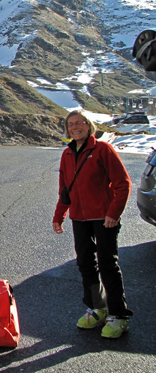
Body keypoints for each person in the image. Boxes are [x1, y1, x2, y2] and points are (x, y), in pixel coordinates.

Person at [52, 110, 132, 339]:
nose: (75, 127)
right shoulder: (67, 154)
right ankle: (97, 309)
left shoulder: (103, 150)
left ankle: (119, 315)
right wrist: (59, 216)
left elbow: (123, 183)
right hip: (79, 218)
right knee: (86, 264)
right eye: (70, 124)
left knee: (108, 264)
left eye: (79, 123)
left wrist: (113, 213)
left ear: (89, 126)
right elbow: (64, 191)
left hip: (104, 218)